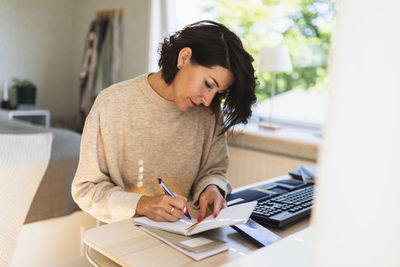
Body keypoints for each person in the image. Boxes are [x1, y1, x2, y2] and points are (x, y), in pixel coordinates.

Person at [71, 20, 256, 224]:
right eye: (208, 84)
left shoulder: (209, 113)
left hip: (189, 234)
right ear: (184, 57)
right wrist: (142, 204)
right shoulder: (112, 103)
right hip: (127, 235)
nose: (208, 100)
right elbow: (86, 189)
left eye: (217, 93)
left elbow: (213, 170)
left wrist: (211, 188)